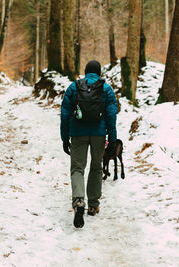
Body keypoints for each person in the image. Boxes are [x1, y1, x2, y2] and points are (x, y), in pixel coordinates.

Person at [60, 60, 118, 228]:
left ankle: (79, 201)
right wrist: (112, 139)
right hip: (99, 134)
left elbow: (64, 114)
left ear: (85, 72)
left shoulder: (74, 87)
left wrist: (65, 137)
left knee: (77, 168)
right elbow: (111, 116)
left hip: (78, 133)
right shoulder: (106, 89)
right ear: (99, 72)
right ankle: (93, 204)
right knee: (96, 166)